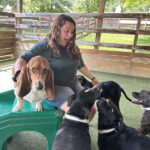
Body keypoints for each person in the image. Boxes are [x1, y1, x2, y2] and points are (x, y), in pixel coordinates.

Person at [14, 14, 100, 121]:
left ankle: (84, 128)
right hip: (55, 87)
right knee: (75, 111)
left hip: (73, 84)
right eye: (66, 31)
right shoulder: (44, 46)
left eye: (72, 32)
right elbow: (22, 59)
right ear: (57, 30)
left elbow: (81, 66)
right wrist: (18, 75)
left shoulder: (73, 48)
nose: (70, 35)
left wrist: (93, 79)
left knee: (92, 109)